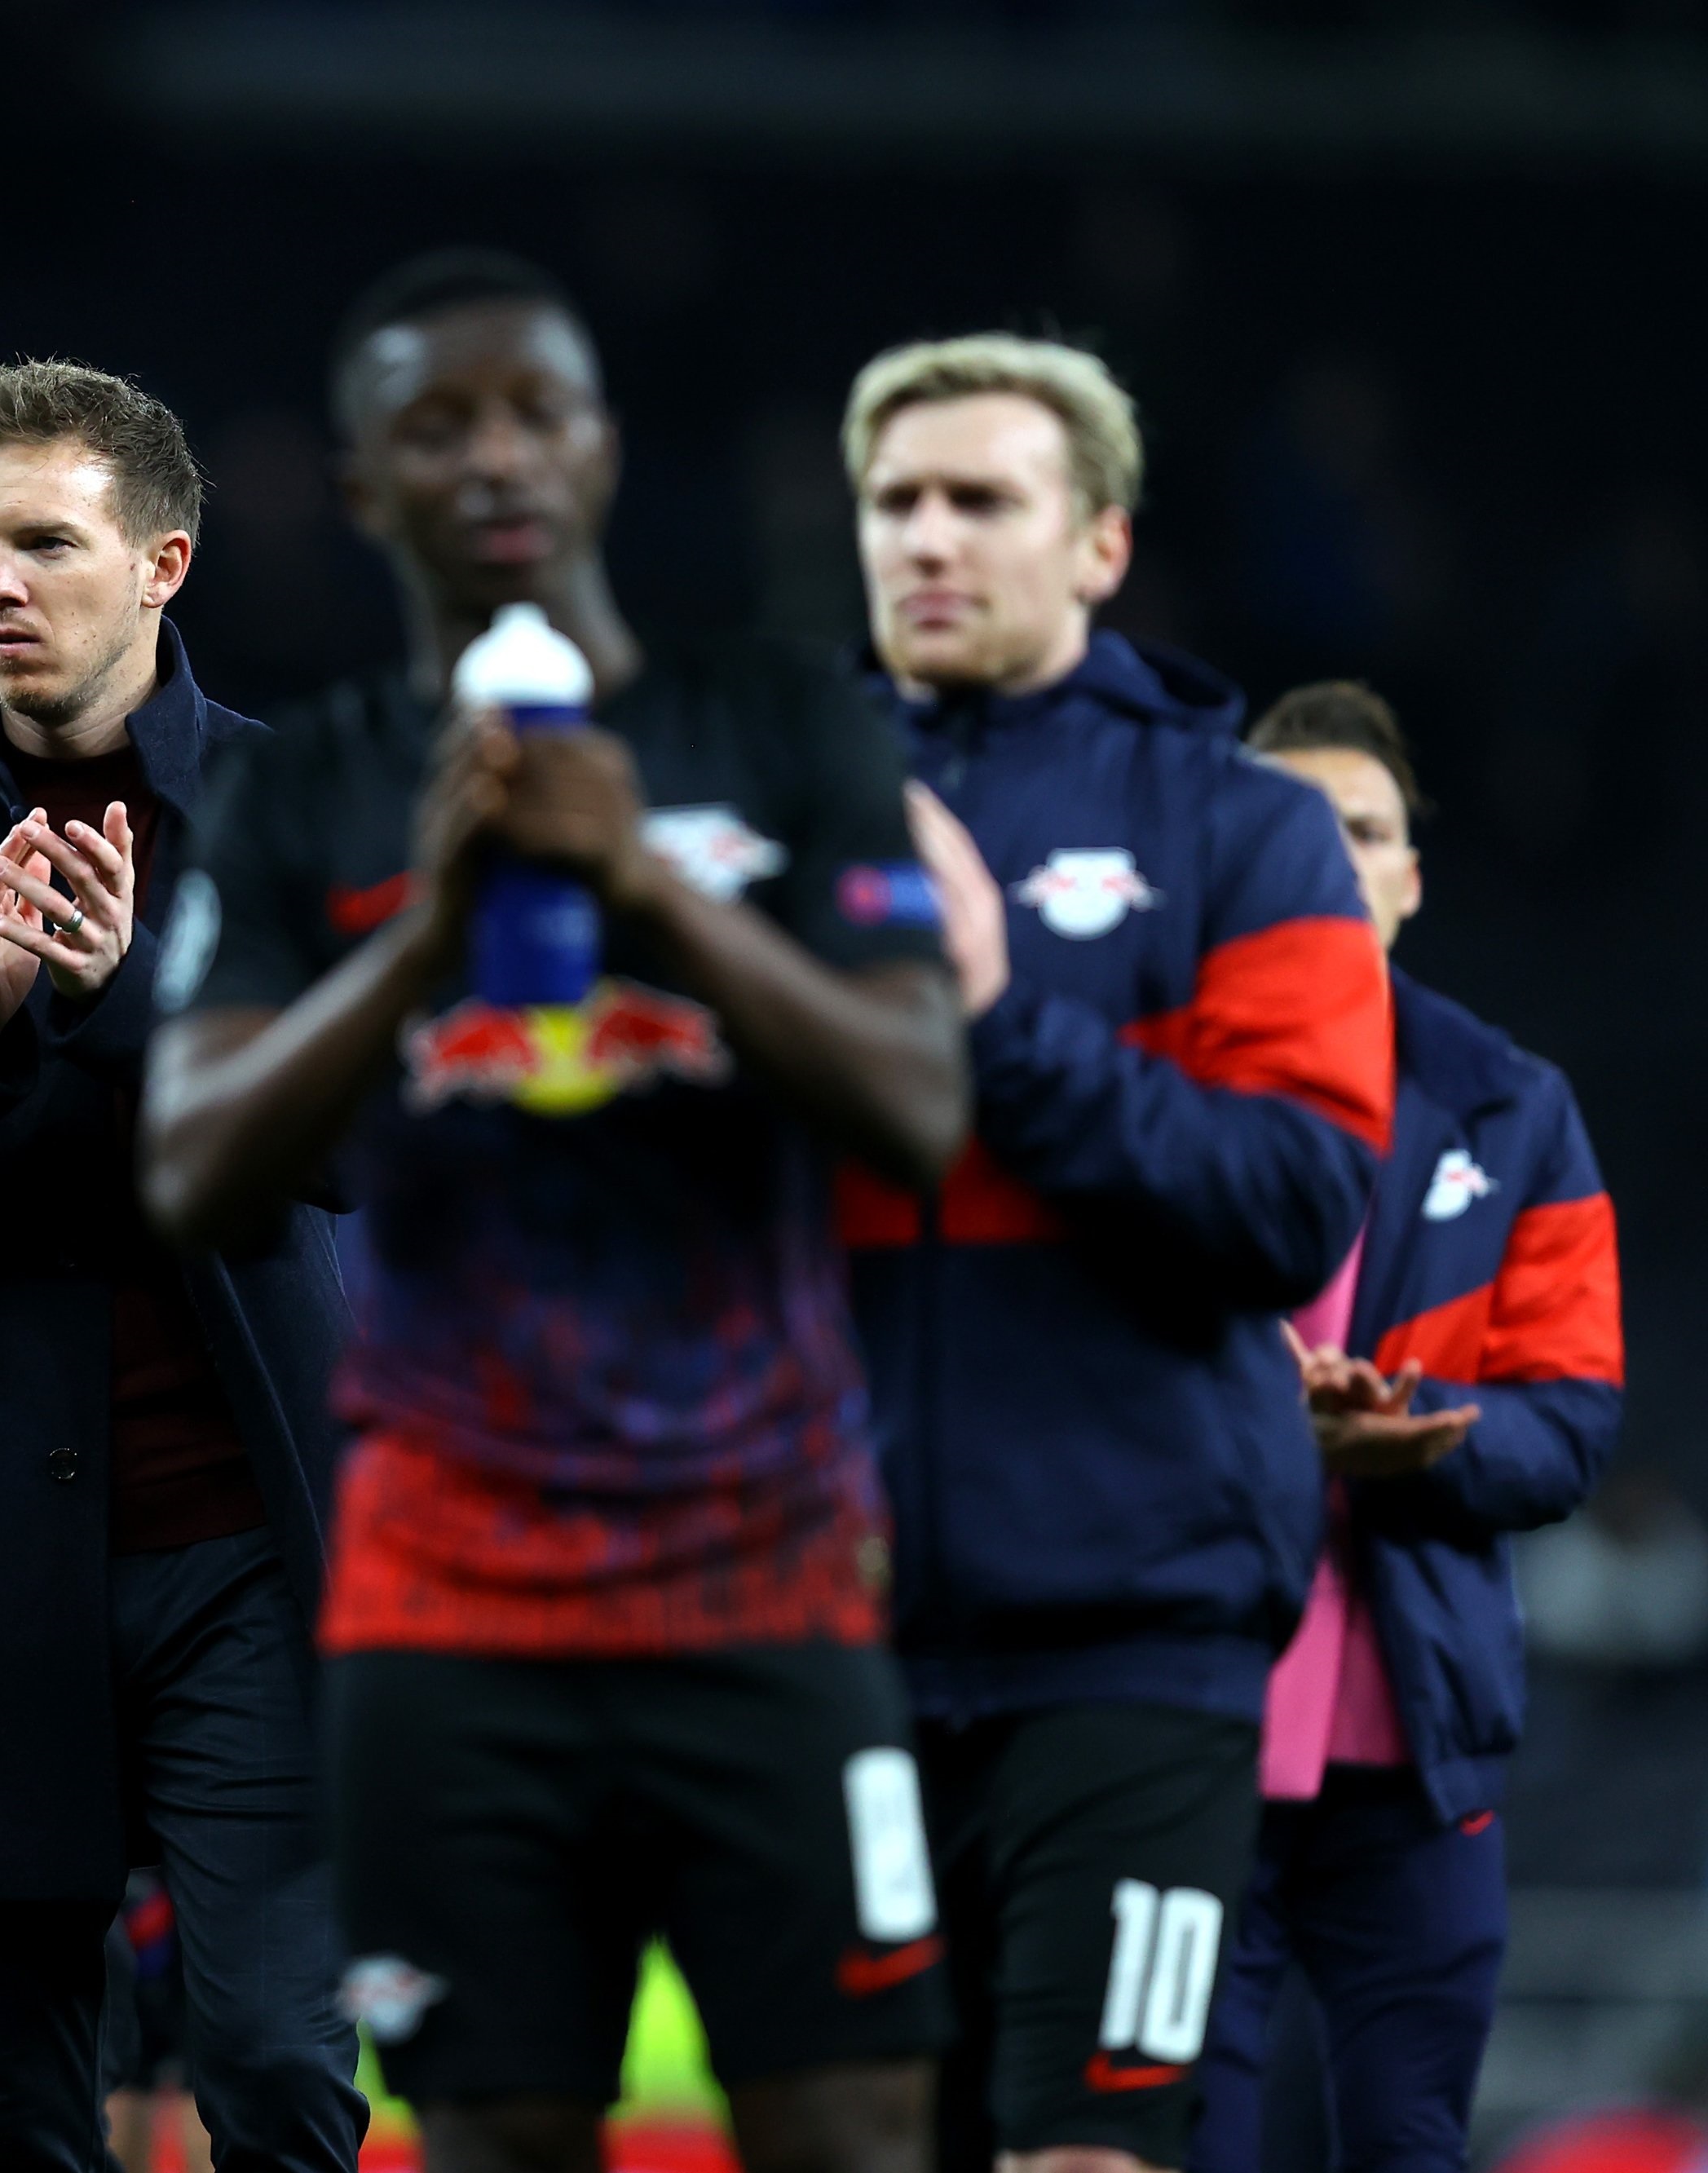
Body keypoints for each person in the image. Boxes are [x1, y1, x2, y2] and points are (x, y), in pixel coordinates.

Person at [142, 249, 969, 2173]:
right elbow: (192, 1168)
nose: (493, 459)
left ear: (601, 452)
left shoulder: (782, 729)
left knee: (851, 2138)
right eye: (435, 426)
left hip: (765, 1577)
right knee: (498, 2146)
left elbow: (919, 1109)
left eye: (536, 415)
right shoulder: (312, 796)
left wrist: (657, 894)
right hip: (450, 1610)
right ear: (363, 487)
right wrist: (433, 927)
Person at [0, 359, 364, 2173]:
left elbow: (360, 1150)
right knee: (5, 2115)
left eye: (45, 541)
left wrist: (146, 1014)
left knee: (277, 2067)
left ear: (164, 562)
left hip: (243, 1550)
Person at [836, 337, 1397, 2173]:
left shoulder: (1245, 836)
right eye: (892, 501)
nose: (927, 536)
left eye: (979, 498)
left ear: (1097, 544)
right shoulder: (772, 826)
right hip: (821, 1631)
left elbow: (1293, 1199)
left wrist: (997, 1018)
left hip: (1133, 1632)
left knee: (1087, 2157)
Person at [1189, 683, 1623, 2173]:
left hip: (1419, 1738)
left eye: (1364, 832)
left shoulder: (1512, 1111)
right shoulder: (1130, 1095)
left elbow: (1569, 1421)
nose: (1331, 860)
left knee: (1409, 2147)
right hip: (1184, 1726)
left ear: (1410, 878)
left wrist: (1416, 1429)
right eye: (1290, 832)